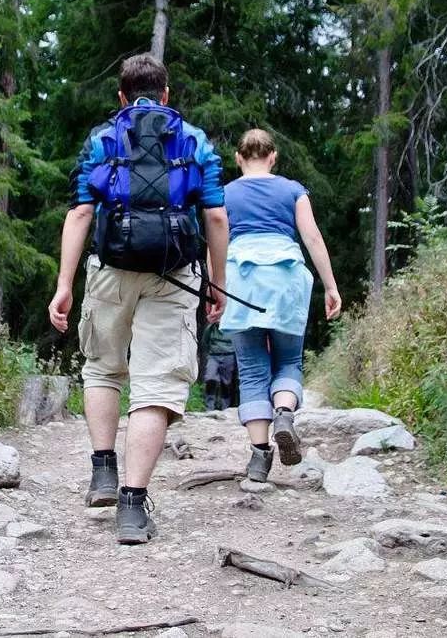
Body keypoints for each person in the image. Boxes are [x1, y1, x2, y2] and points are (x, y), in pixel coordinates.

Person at [47, 53, 229, 545]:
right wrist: (216, 280)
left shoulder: (103, 138)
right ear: (167, 95)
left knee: (104, 369)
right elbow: (214, 217)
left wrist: (64, 285)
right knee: (156, 387)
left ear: (121, 97)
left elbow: (81, 213)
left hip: (111, 269)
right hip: (174, 274)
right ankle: (131, 507)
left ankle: (103, 470)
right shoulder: (193, 139)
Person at [219, 128, 341, 482]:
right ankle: (284, 412)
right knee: (288, 360)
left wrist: (217, 290)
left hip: (243, 282)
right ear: (273, 157)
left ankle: (259, 459)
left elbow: (217, 241)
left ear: (239, 158)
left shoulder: (225, 194)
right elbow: (312, 238)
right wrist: (330, 286)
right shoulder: (293, 190)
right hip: (286, 282)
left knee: (253, 370)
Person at [200, 322, 237, 411]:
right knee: (210, 378)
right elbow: (204, 341)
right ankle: (209, 407)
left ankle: (225, 407)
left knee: (226, 382)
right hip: (213, 355)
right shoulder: (211, 328)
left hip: (229, 355)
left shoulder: (232, 327)